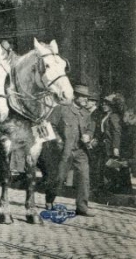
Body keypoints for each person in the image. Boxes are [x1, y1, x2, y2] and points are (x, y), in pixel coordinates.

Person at [45, 84, 95, 217]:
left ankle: (82, 207)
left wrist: (88, 136)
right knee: (59, 178)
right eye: (83, 96)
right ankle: (49, 199)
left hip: (81, 151)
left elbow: (90, 128)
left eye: (86, 97)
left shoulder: (86, 114)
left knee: (84, 178)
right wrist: (59, 142)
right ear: (75, 96)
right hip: (64, 150)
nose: (86, 99)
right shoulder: (62, 109)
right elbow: (50, 126)